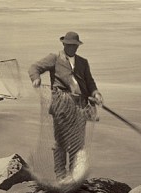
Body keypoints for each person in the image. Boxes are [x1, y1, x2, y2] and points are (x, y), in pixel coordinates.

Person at [28, 31, 103, 182]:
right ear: (63, 44)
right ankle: (61, 175)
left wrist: (95, 93)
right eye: (69, 45)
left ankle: (73, 175)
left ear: (77, 46)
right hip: (61, 105)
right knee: (61, 142)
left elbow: (90, 82)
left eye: (75, 45)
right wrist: (36, 79)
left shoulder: (83, 62)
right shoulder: (54, 58)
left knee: (78, 142)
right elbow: (34, 67)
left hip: (80, 106)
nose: (72, 48)